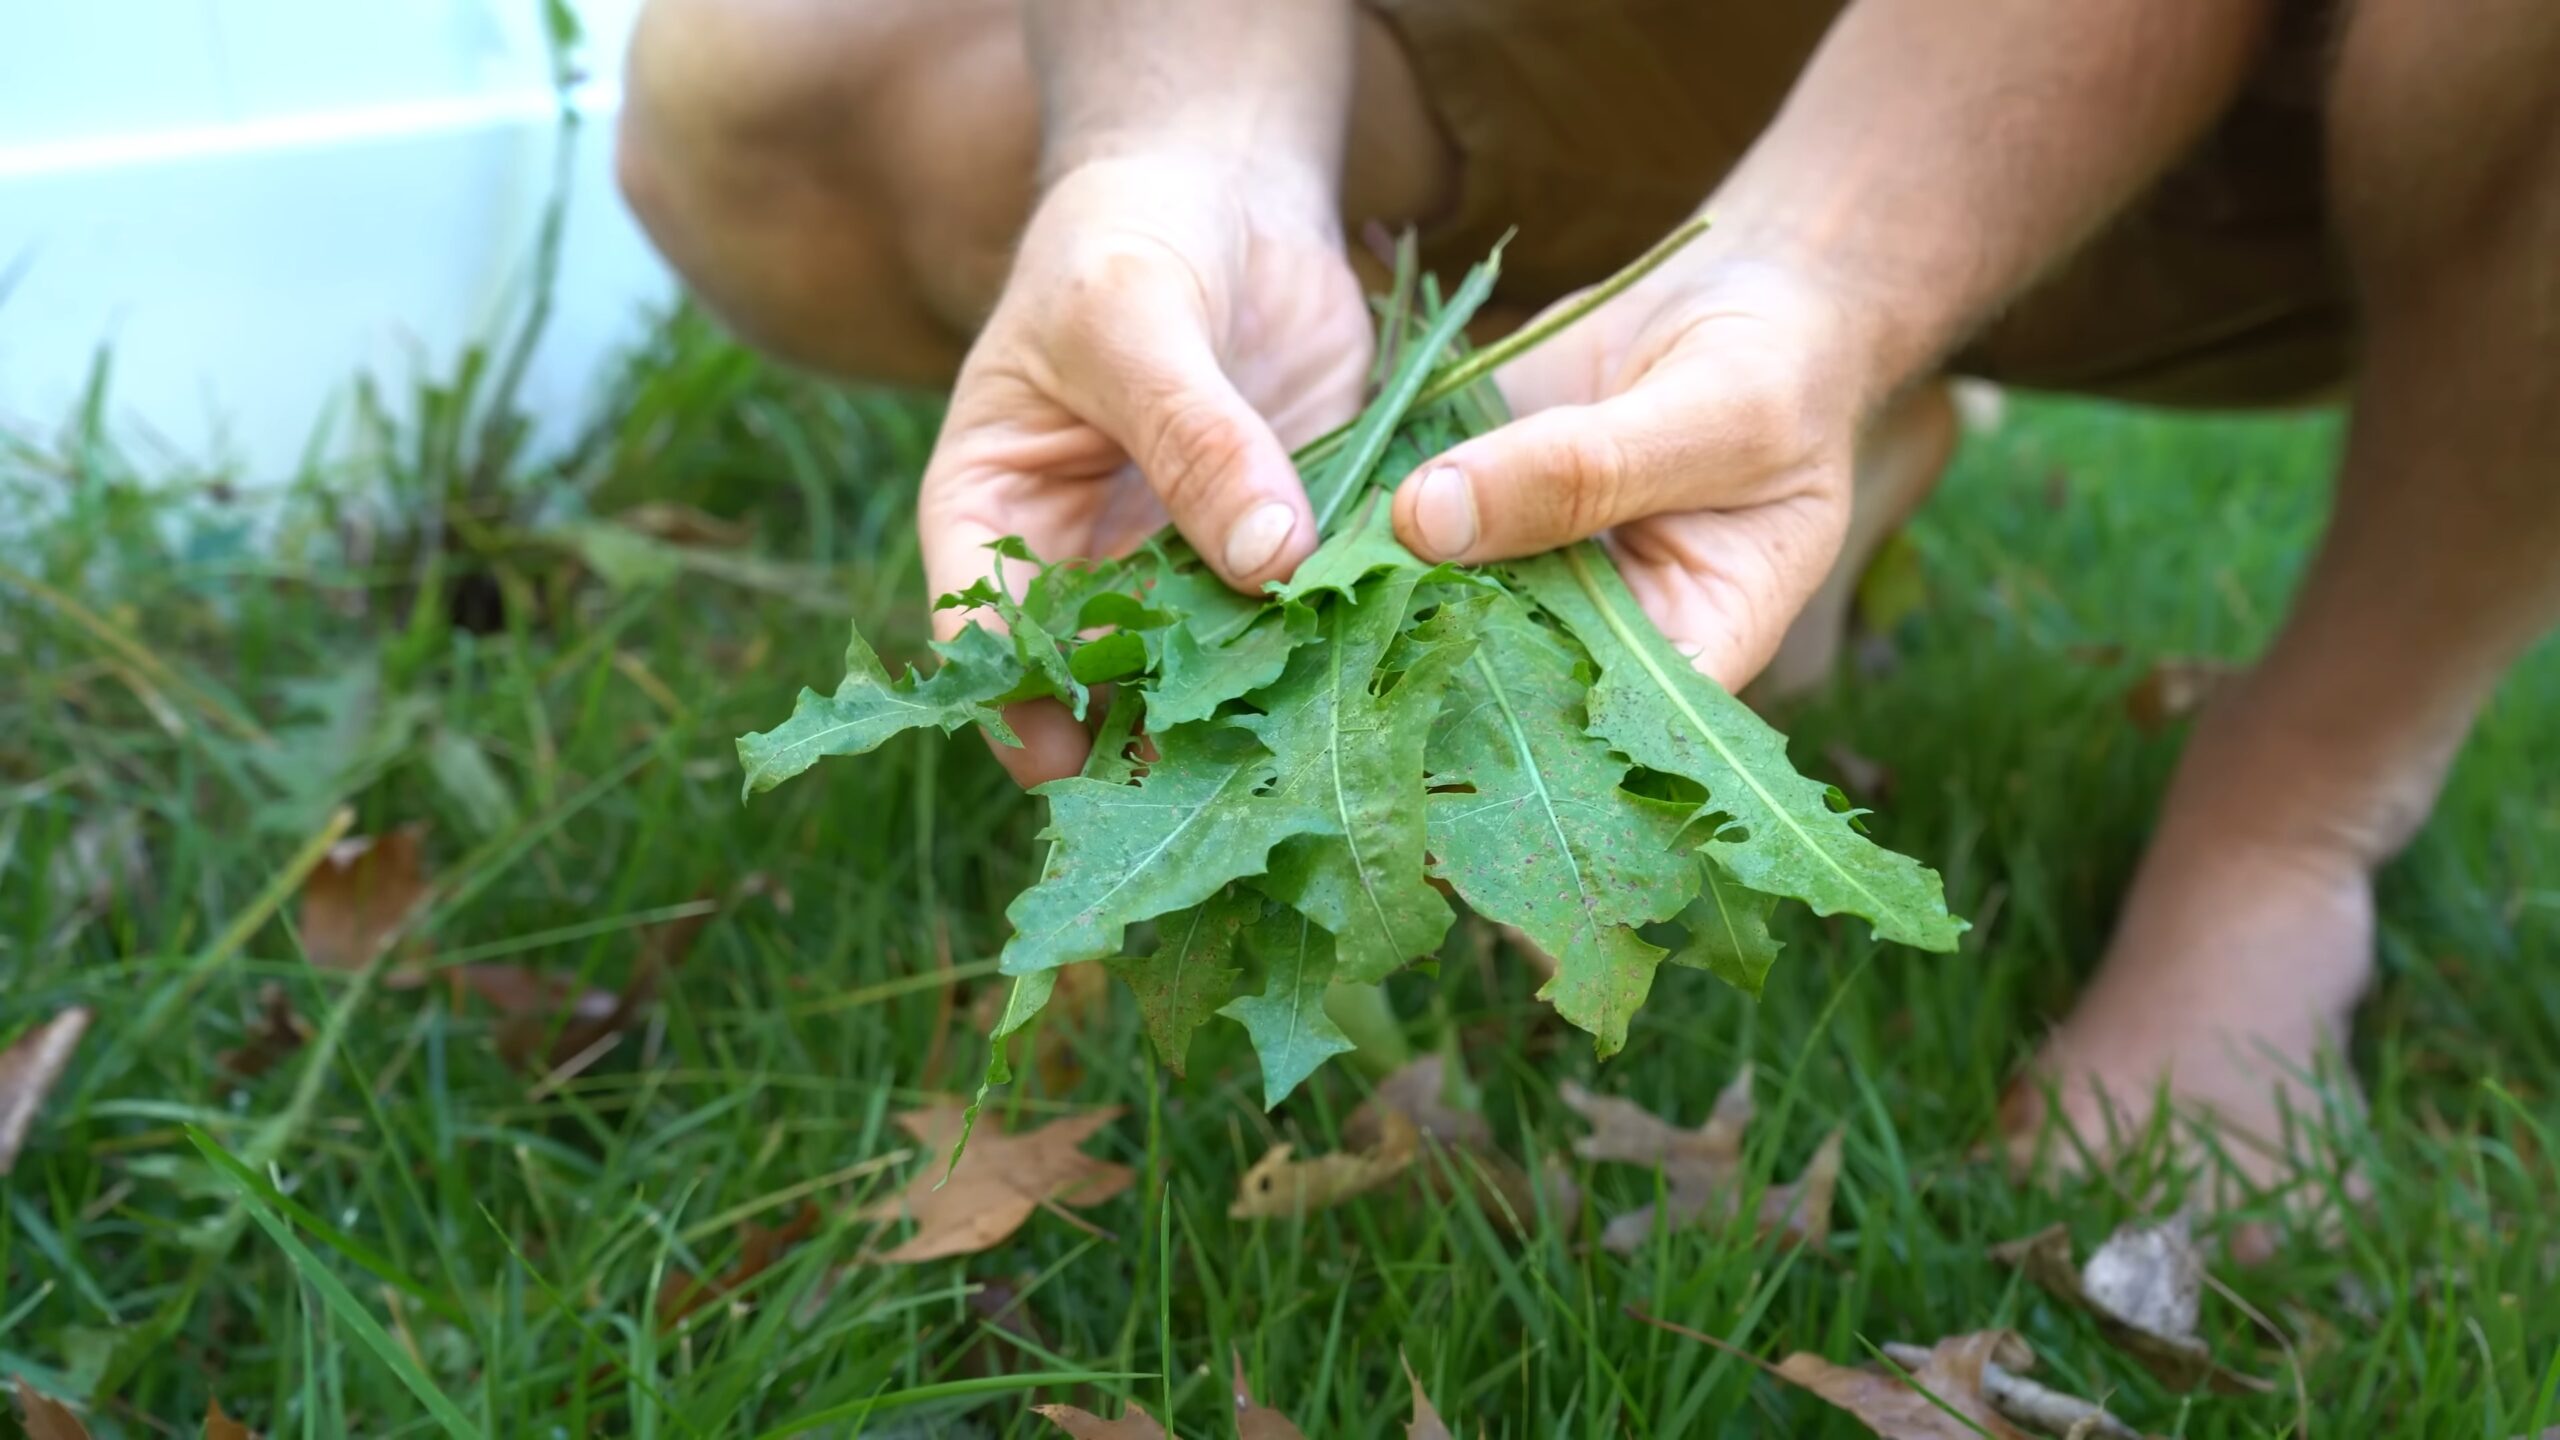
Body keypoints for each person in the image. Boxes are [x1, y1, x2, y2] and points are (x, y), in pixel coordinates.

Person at [613, 0, 2560, 1203]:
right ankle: (1715, 418)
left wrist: (1830, 268)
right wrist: (1177, 149)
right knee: (770, 88)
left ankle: (2292, 809)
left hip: (2350, 91)